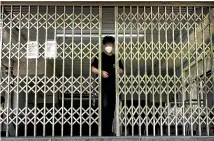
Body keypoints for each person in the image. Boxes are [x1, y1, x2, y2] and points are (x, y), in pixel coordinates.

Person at [91, 36, 124, 136]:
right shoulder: (99, 55)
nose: (108, 46)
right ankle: (102, 131)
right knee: (103, 108)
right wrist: (100, 72)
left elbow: (122, 69)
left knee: (111, 109)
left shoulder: (116, 57)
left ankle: (108, 131)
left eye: (110, 45)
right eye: (107, 45)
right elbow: (93, 68)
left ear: (113, 46)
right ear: (104, 45)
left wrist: (120, 70)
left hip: (113, 86)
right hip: (103, 87)